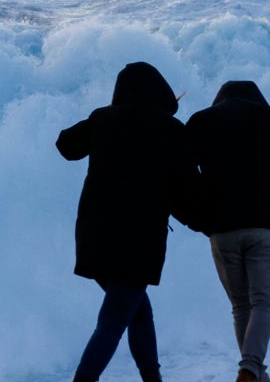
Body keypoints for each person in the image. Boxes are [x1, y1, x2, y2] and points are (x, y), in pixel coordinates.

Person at [56, 61, 202, 382]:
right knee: (114, 320)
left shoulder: (102, 119)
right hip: (138, 240)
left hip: (95, 236)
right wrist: (211, 223)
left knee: (137, 312)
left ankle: (152, 379)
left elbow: (66, 145)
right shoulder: (171, 130)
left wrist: (102, 121)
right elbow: (188, 195)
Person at [186, 80, 270, 382]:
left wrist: (197, 213)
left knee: (240, 305)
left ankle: (256, 373)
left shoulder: (202, 121)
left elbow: (179, 165)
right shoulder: (269, 116)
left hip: (220, 230)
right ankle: (249, 368)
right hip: (264, 227)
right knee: (263, 302)